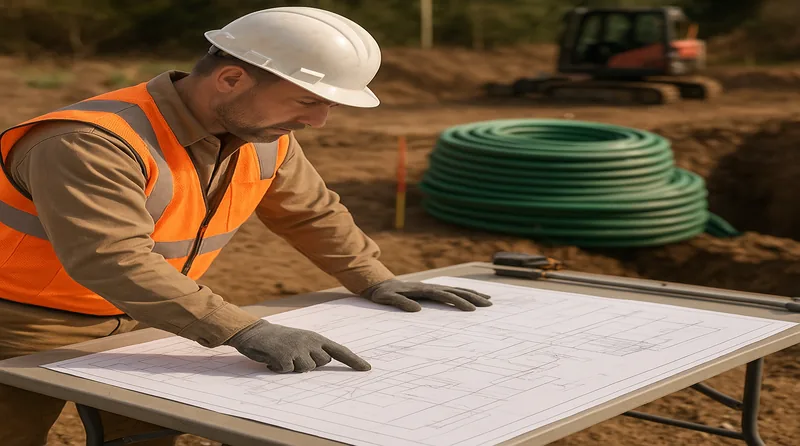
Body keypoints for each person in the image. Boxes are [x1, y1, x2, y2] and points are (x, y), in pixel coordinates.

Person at [0, 6, 492, 446]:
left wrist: (374, 278)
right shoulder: (89, 142)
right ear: (231, 79)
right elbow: (111, 257)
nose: (320, 121)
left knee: (145, 436)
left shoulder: (262, 135)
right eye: (307, 101)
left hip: (151, 318)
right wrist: (241, 329)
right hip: (22, 325)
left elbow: (310, 212)